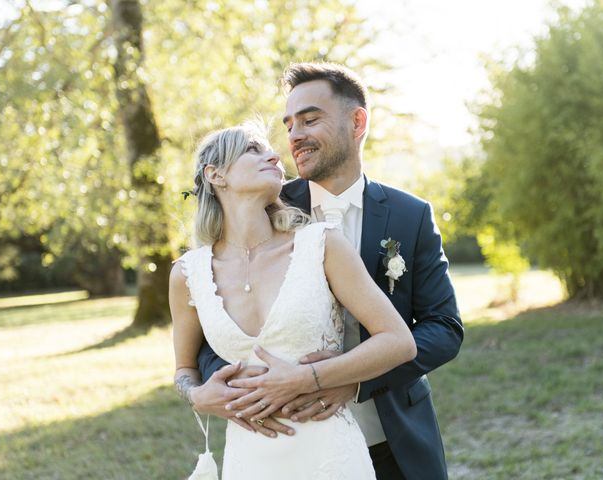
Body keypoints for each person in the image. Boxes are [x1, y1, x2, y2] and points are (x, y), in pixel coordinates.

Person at [196, 63, 464, 479]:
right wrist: (226, 387)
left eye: (310, 119)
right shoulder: (260, 206)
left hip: (393, 439)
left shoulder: (409, 216)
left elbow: (444, 327)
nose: (294, 136)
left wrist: (352, 378)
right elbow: (213, 317)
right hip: (287, 441)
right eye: (289, 125)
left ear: (357, 121)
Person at [169, 122, 418, 479]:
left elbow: (399, 341)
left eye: (271, 149)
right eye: (253, 149)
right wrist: (196, 396)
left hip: (330, 455)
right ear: (216, 174)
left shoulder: (320, 245)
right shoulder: (187, 274)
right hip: (250, 458)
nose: (274, 155)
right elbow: (184, 370)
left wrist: (310, 377)